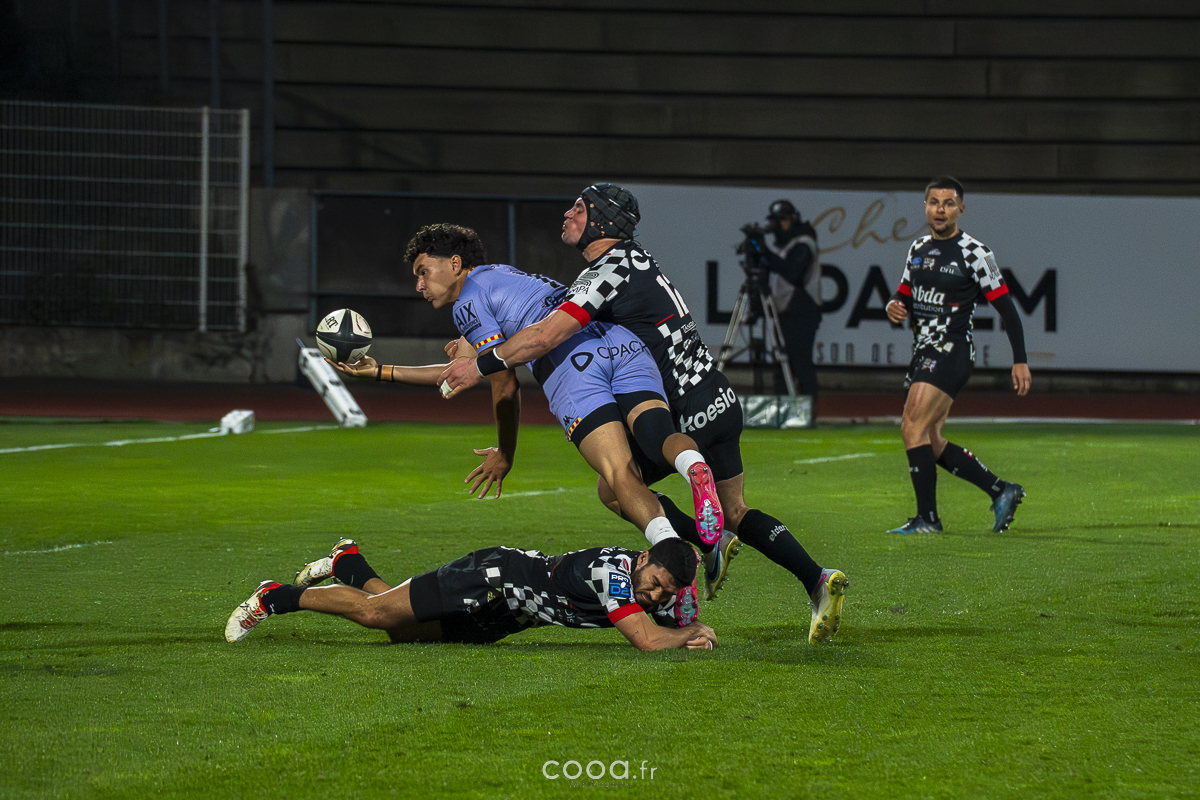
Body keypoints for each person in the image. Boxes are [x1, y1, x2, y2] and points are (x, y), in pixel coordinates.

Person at [437, 184, 848, 644]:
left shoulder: (604, 271)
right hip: (717, 395)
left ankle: (688, 546)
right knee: (735, 511)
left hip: (681, 404)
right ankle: (816, 579)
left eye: (580, 209)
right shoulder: (634, 259)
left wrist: (479, 363)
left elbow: (545, 336)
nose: (568, 214)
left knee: (615, 485)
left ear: (603, 221)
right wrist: (472, 342)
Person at [329, 224, 722, 614]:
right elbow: (463, 368)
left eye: (423, 271)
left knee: (620, 475)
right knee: (657, 436)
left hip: (573, 366)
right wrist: (381, 371)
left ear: (454, 263)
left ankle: (672, 563)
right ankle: (693, 466)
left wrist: (506, 452)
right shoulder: (500, 276)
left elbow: (503, 383)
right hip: (620, 342)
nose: (419, 285)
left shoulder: (468, 303)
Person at [225, 537, 717, 651]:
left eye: (665, 592)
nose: (654, 595)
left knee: (403, 633)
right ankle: (275, 597)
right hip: (492, 577)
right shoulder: (613, 573)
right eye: (654, 582)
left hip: (508, 615)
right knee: (377, 616)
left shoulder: (646, 581)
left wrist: (682, 623)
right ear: (643, 559)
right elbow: (647, 640)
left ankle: (348, 563)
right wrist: (690, 630)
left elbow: (661, 622)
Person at [884, 175, 1031, 534]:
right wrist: (894, 306)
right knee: (930, 439)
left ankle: (928, 520)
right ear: (925, 207)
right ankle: (1000, 490)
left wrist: (1020, 359)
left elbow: (1008, 309)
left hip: (951, 349)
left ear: (960, 209)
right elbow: (903, 296)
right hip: (923, 350)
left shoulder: (975, 252)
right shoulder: (918, 248)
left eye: (948, 203)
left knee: (912, 427)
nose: (940, 210)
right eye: (934, 202)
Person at [749, 199, 822, 399]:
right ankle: (782, 405)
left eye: (784, 220)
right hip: (783, 310)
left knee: (800, 360)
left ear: (793, 219)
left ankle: (808, 406)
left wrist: (764, 252)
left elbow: (793, 271)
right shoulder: (782, 245)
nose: (780, 225)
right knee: (782, 362)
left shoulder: (804, 243)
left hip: (802, 310)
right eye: (777, 221)